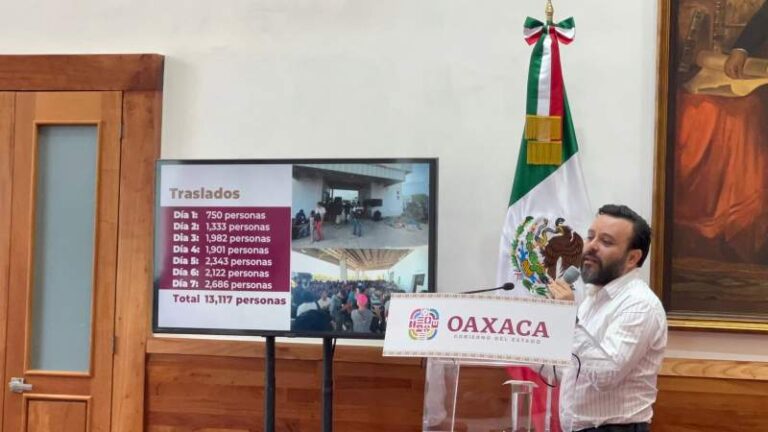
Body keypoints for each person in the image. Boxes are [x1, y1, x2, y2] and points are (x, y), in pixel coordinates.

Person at [548, 204, 667, 432]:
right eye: (590, 236)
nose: (591, 246)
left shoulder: (639, 305)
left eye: (606, 241)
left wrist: (570, 319)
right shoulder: (594, 298)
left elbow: (605, 375)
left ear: (632, 258)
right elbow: (574, 369)